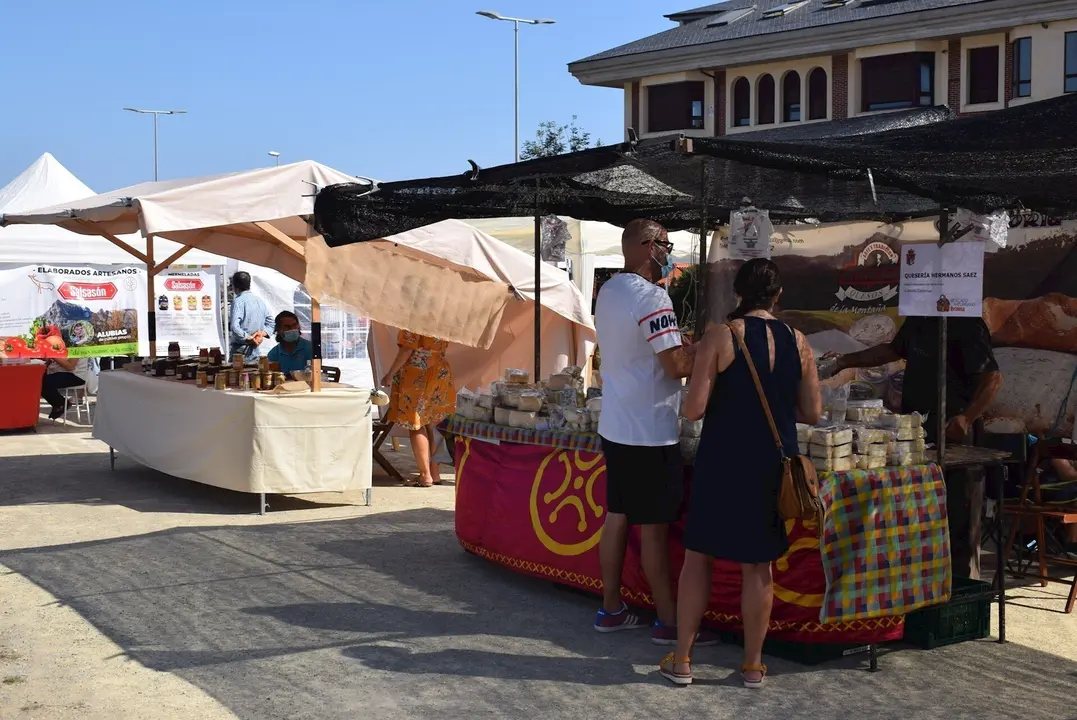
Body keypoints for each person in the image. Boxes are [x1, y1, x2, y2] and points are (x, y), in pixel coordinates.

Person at [658, 258, 821, 689]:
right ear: (778, 295)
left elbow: (693, 409)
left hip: (724, 459)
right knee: (759, 567)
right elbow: (814, 412)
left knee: (698, 559)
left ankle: (684, 660)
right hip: (773, 460)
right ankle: (752, 665)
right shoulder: (799, 341)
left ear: (738, 294)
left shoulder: (721, 336)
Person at [592, 218, 716, 647]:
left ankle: (610, 607)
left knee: (618, 515)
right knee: (655, 529)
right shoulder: (653, 296)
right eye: (666, 244)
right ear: (647, 246)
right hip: (650, 431)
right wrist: (705, 349)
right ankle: (669, 621)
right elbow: (676, 367)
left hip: (616, 422)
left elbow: (645, 349)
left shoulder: (609, 290)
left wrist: (680, 344)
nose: (669, 251)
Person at [831, 316, 1003, 579]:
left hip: (953, 435)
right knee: (921, 514)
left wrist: (966, 417)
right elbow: (892, 350)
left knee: (957, 515)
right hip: (916, 431)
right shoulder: (920, 318)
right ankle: (924, 584)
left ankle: (960, 586)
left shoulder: (966, 324)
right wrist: (845, 360)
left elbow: (993, 378)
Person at [380, 331, 455, 487]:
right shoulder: (442, 320)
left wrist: (390, 373)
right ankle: (434, 472)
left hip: (418, 373)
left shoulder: (414, 322)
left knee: (416, 424)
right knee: (431, 424)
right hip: (440, 371)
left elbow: (407, 349)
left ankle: (425, 475)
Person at [228, 271, 274, 362]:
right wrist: (261, 334)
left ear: (234, 286)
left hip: (240, 351)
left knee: (238, 375)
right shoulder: (259, 300)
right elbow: (271, 324)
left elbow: (235, 327)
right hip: (255, 350)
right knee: (253, 374)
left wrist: (248, 338)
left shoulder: (238, 301)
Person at [267, 311, 313, 376]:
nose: (292, 329)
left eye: (294, 325)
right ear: (278, 330)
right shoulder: (273, 354)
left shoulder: (310, 349)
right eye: (287, 327)